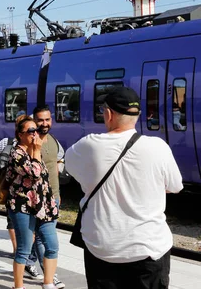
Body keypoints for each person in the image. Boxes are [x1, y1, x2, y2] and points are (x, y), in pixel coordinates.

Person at [65, 87, 183, 289]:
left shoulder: (88, 146)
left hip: (102, 249)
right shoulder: (158, 146)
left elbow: (72, 170)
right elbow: (174, 186)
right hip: (149, 249)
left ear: (109, 114)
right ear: (138, 115)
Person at [5, 115, 59, 289]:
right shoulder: (17, 154)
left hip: (43, 207)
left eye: (35, 130)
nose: (35, 134)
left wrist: (52, 204)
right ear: (20, 134)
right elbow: (34, 173)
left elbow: (44, 179)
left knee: (52, 246)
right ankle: (18, 286)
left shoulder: (34, 150)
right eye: (30, 131)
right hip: (22, 207)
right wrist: (36, 151)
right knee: (24, 249)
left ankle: (48, 283)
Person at [28, 105, 66, 288]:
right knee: (46, 239)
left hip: (53, 197)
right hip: (36, 198)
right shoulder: (29, 141)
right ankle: (49, 278)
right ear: (34, 120)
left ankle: (31, 263)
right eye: (40, 120)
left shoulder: (53, 140)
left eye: (47, 119)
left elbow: (55, 170)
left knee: (43, 238)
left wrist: (58, 194)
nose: (44, 123)